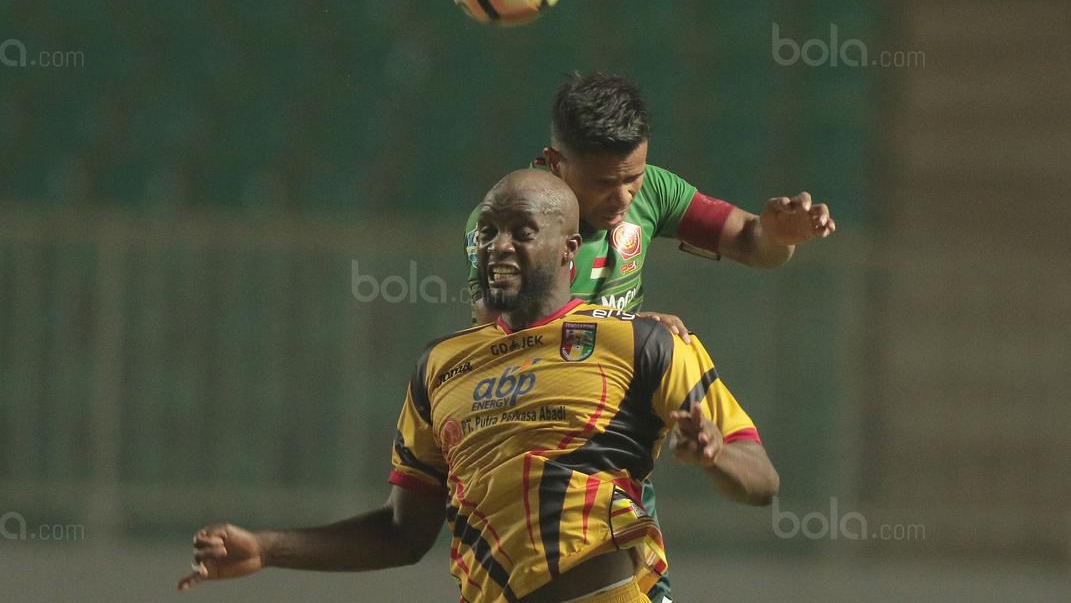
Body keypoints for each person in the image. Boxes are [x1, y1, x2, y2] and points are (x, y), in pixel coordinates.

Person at [180, 170, 779, 603]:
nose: (499, 244)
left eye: (522, 229)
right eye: (488, 229)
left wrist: (716, 455)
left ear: (570, 248)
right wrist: (266, 548)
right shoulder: (439, 367)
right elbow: (401, 533)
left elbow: (762, 481)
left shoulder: (641, 342)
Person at [462, 72, 832, 601]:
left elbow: (751, 243)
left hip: (614, 464)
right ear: (555, 163)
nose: (622, 197)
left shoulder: (652, 191)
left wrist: (778, 236)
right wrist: (620, 330)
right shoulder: (506, 221)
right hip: (531, 461)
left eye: (631, 177)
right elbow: (499, 327)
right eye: (601, 183)